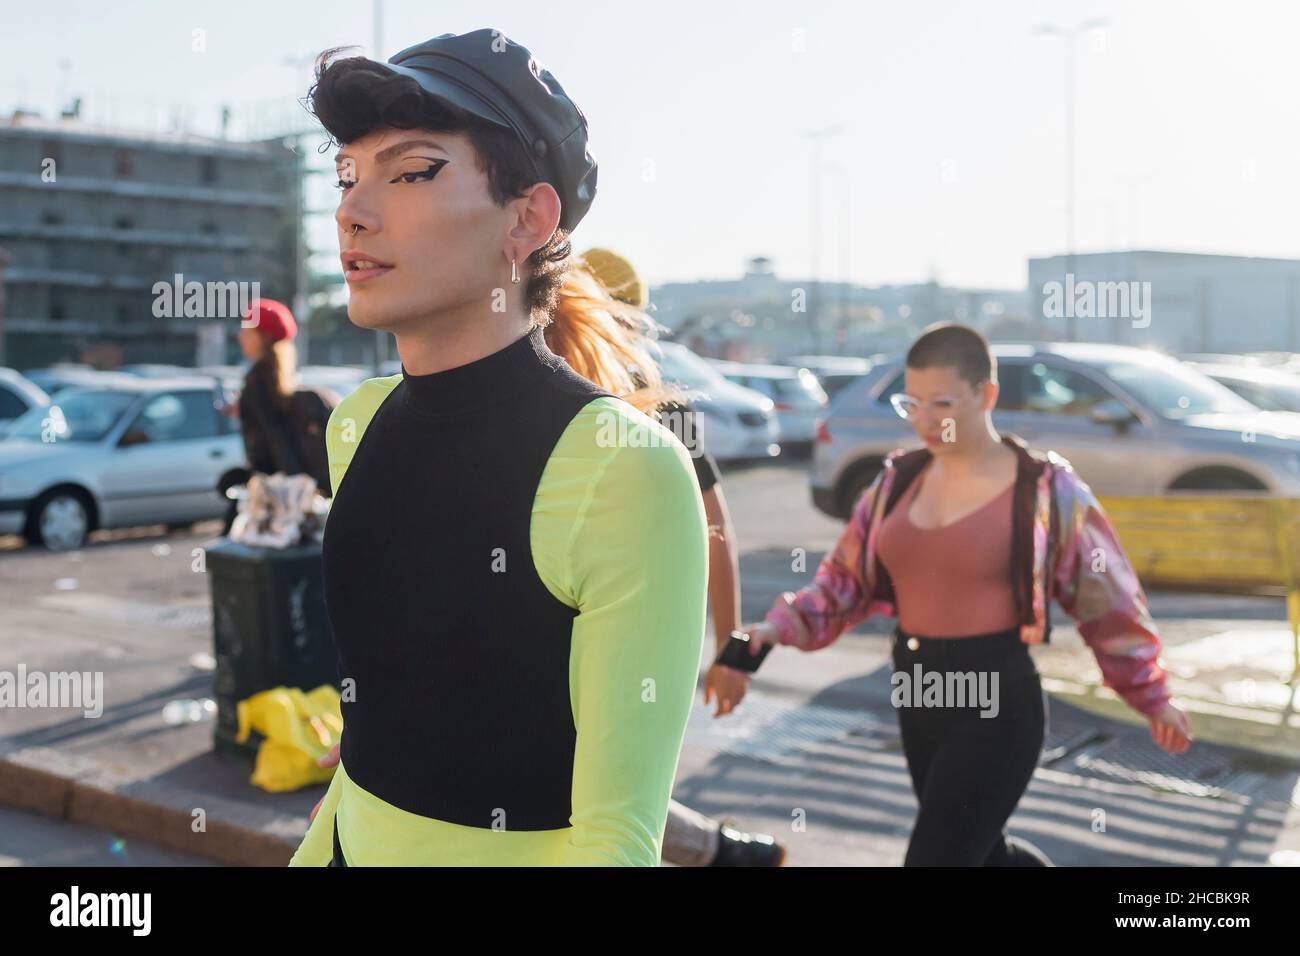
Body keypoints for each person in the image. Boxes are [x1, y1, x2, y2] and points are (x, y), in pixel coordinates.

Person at [288, 29, 707, 866]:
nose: (351, 210)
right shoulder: (357, 422)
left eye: (409, 172)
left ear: (528, 219)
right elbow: (376, 739)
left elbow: (618, 840)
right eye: (346, 174)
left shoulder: (626, 469)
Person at [739, 322, 1194, 866]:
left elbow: (1109, 598)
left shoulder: (1048, 490)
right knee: (981, 853)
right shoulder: (895, 483)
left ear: (987, 395)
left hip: (996, 697)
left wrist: (1150, 693)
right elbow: (843, 582)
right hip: (917, 690)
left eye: (943, 403)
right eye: (912, 403)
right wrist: (776, 628)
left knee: (938, 858)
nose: (925, 420)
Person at [556, 247, 784, 866]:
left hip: (613, 643)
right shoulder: (619, 397)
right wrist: (728, 646)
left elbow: (713, 526)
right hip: (626, 642)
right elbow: (718, 528)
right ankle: (727, 854)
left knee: (595, 806)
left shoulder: (647, 400)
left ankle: (724, 853)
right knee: (602, 803)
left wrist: (732, 646)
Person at [224, 299, 306, 534]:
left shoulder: (258, 378)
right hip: (277, 481)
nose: (240, 337)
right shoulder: (277, 375)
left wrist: (289, 482)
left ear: (264, 337)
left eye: (246, 331)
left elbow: (274, 434)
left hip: (268, 485)